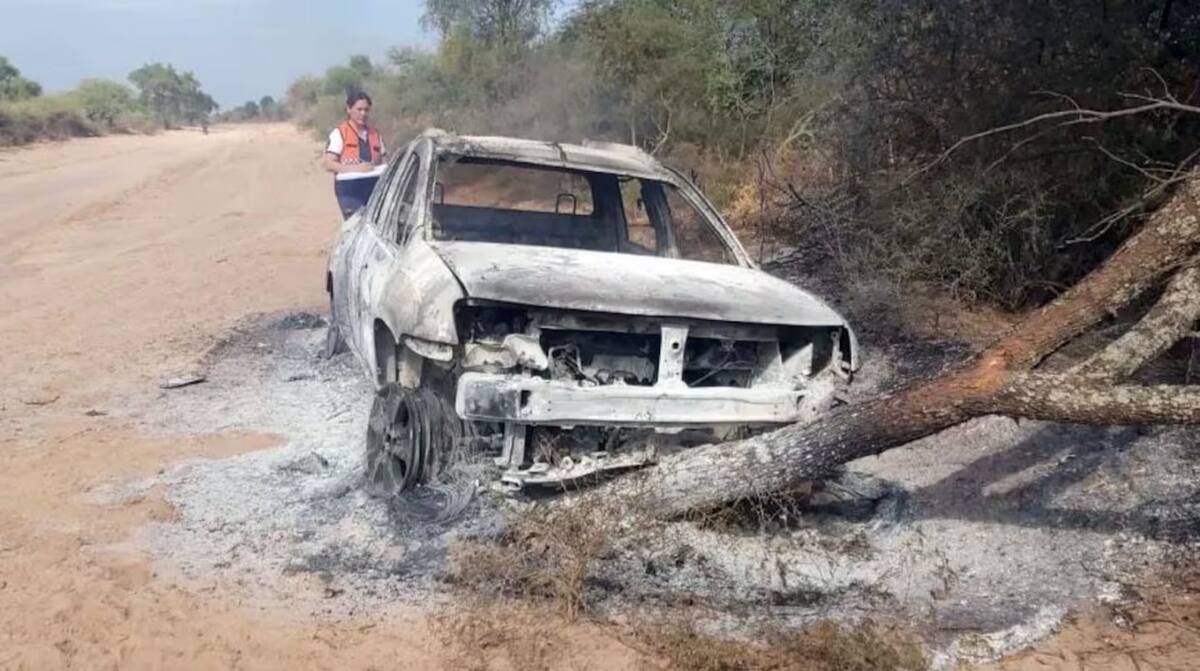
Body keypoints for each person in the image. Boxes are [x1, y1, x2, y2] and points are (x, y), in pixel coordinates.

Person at [321, 91, 387, 218]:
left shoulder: (375, 134)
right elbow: (328, 163)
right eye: (359, 109)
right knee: (355, 225)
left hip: (375, 190)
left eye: (366, 110)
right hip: (349, 191)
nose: (363, 113)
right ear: (349, 109)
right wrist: (356, 169)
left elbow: (384, 161)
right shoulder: (339, 133)